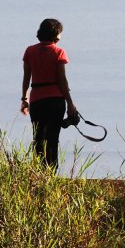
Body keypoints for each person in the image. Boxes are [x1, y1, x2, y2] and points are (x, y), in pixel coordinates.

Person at [20, 18, 77, 171]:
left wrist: (24, 99)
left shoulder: (30, 51)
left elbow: (26, 78)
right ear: (56, 34)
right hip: (55, 100)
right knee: (52, 138)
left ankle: (39, 170)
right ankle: (52, 171)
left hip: (37, 99)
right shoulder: (59, 52)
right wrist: (70, 103)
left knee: (38, 137)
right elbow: (62, 80)